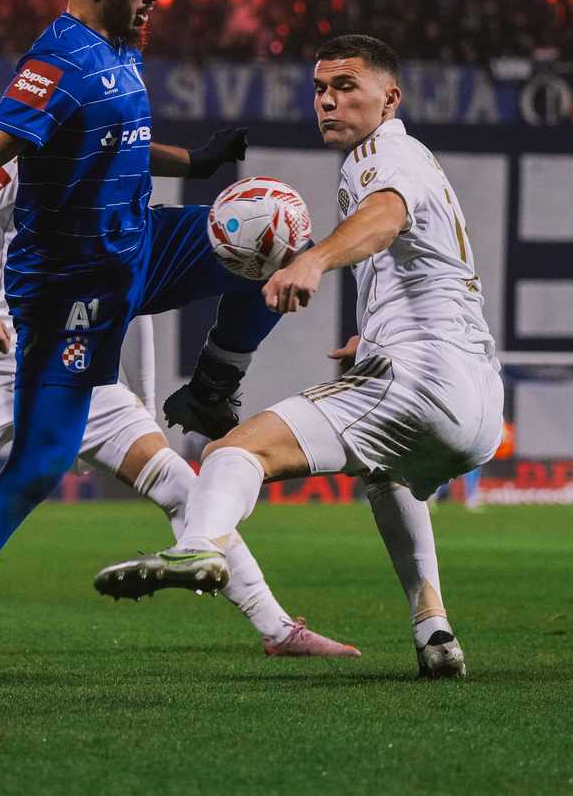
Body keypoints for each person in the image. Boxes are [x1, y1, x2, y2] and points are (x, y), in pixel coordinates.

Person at [0, 0, 289, 695]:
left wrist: (193, 160)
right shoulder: (57, 57)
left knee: (274, 239)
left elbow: (116, 137)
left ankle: (211, 389)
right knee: (39, 467)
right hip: (72, 286)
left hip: (140, 244)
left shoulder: (120, 46)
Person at [0, 162, 356, 660]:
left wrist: (140, 399)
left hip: (77, 366)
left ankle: (278, 630)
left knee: (184, 487)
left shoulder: (115, 179)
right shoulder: (31, 158)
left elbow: (132, 293)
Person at [92, 35, 504, 680]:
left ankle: (197, 547)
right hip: (478, 399)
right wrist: (373, 337)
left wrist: (313, 260)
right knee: (388, 473)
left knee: (232, 452)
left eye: (346, 86)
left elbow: (385, 217)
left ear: (390, 98)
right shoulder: (416, 159)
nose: (328, 101)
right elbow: (428, 267)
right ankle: (434, 630)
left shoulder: (383, 155)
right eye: (320, 89)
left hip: (421, 380)